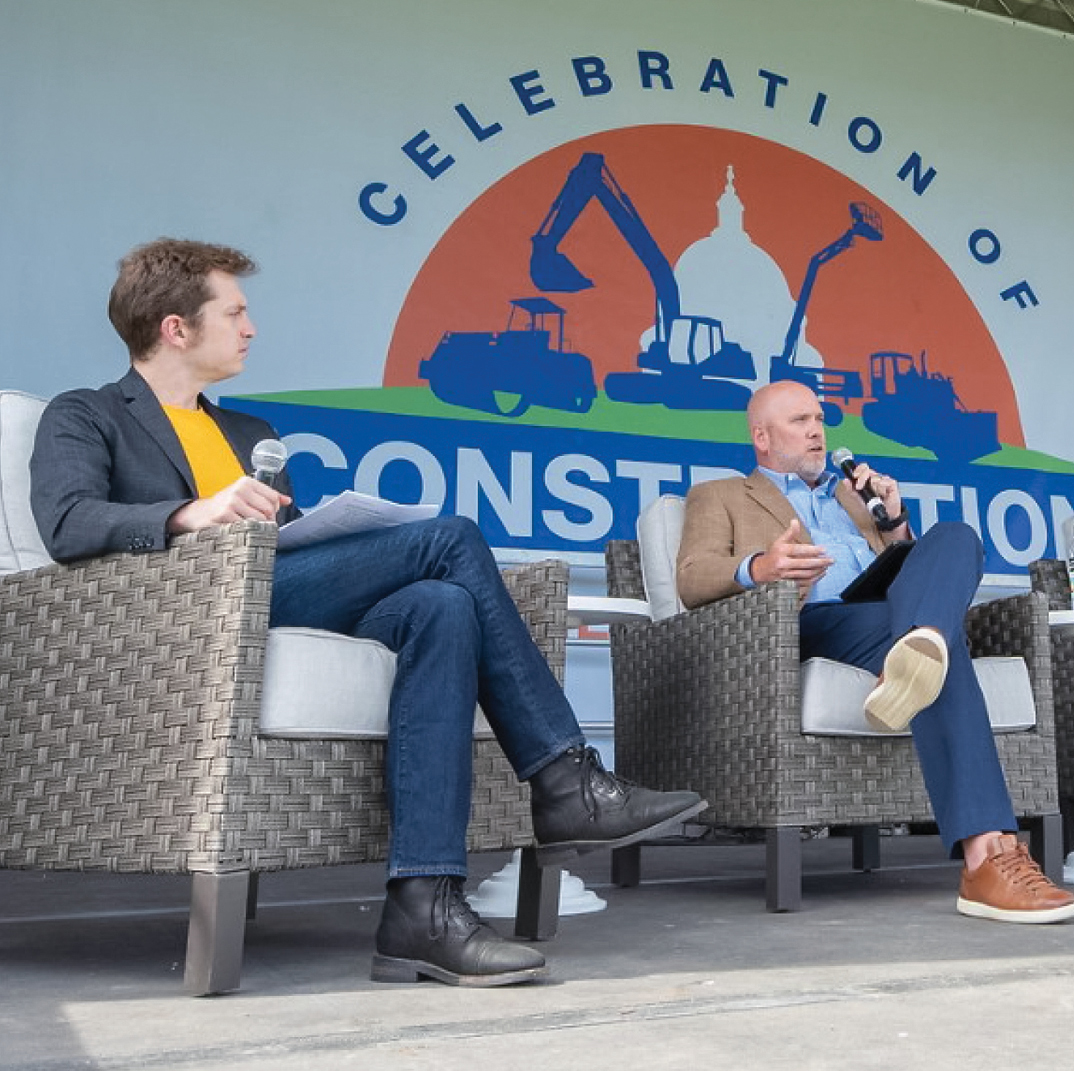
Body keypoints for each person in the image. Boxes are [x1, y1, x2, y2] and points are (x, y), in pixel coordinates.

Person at [30, 238, 707, 988]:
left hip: (281, 589)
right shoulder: (87, 414)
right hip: (195, 611)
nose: (251, 328)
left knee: (443, 605)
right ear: (175, 328)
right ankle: (563, 779)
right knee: (450, 538)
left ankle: (422, 908)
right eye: (235, 312)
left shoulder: (251, 435)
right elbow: (67, 521)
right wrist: (195, 510)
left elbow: (299, 543)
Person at [675, 380, 1074, 923]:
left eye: (819, 418)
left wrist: (891, 520)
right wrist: (762, 568)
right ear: (762, 438)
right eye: (800, 421)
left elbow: (910, 569)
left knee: (956, 536)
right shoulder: (720, 494)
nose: (817, 430)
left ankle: (920, 648)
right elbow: (692, 577)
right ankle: (990, 854)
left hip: (882, 612)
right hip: (803, 620)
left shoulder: (850, 494)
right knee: (943, 643)